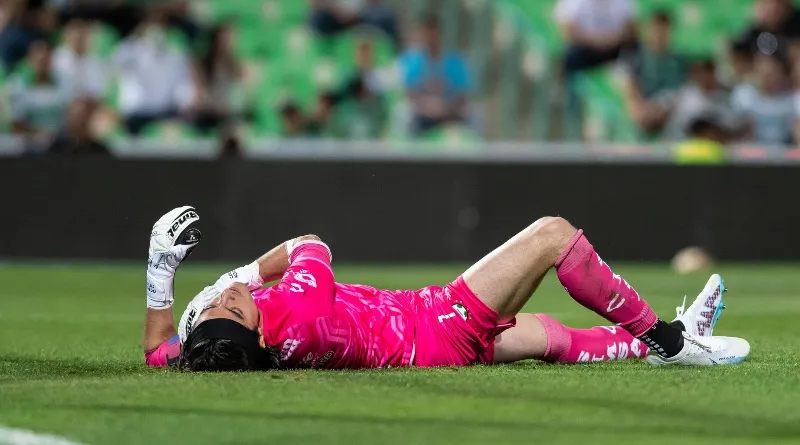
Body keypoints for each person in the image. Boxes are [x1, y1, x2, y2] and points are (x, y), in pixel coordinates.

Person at [143, 206, 749, 371]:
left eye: (222, 300)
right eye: (233, 306)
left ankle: (669, 339)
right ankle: (670, 340)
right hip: (438, 321)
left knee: (555, 339)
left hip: (426, 347)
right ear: (251, 326)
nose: (224, 298)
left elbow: (159, 352)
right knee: (551, 236)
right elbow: (312, 244)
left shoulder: (226, 351)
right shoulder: (295, 309)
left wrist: (161, 271)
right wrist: (243, 274)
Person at [400, 15, 475, 135]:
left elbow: (463, 94)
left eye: (433, 35)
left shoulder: (455, 62)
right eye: (426, 35)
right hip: (421, 114)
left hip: (450, 114)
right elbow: (409, 93)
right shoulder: (412, 61)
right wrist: (428, 106)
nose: (430, 40)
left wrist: (446, 108)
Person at [621, 11, 686, 136]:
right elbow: (630, 89)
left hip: (669, 112)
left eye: (664, 30)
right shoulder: (635, 57)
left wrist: (664, 110)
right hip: (643, 110)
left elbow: (680, 92)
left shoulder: (678, 61)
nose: (660, 35)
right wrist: (641, 109)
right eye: (656, 29)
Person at [731, 53, 799, 146]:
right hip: (755, 152)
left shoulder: (792, 100)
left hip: (785, 152)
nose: (771, 79)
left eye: (773, 74)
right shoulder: (746, 97)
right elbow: (742, 131)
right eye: (766, 75)